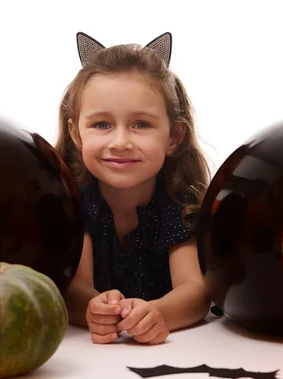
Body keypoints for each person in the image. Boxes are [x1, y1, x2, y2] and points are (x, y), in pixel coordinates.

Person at [55, 32, 212, 345]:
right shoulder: (77, 204)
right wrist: (92, 307)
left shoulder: (176, 205)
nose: (121, 142)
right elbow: (74, 286)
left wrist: (158, 314)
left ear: (173, 137)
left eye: (141, 124)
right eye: (102, 125)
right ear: (76, 133)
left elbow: (195, 291)